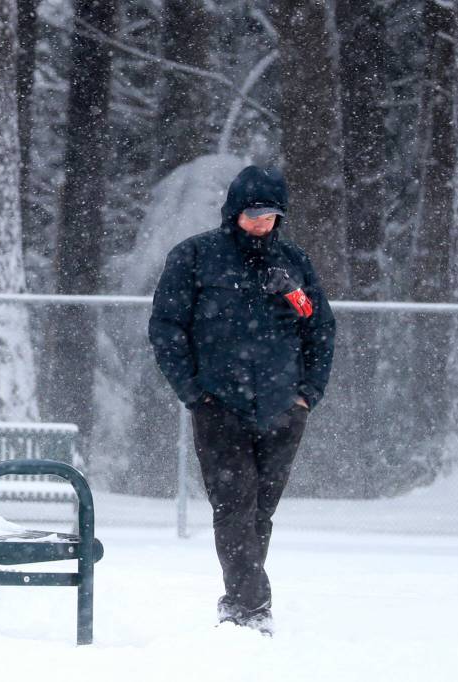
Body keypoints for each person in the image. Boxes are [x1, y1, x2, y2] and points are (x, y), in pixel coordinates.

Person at [147, 165, 336, 634]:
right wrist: (193, 392)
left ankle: (239, 601)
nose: (262, 223)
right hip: (219, 407)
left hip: (282, 409)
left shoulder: (293, 263)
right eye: (254, 213)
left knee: (258, 513)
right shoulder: (195, 257)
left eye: (271, 215)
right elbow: (167, 328)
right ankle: (251, 608)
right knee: (233, 506)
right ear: (235, 212)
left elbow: (319, 327)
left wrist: (306, 395)